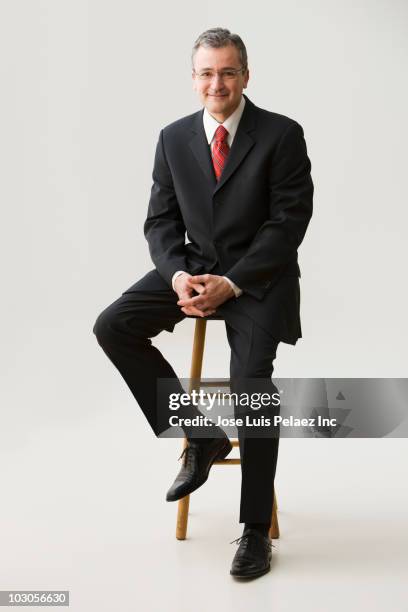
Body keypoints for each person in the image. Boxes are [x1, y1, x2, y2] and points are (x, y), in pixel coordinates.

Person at [93, 27, 313, 579]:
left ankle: (256, 531)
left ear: (245, 75)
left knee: (251, 388)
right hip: (192, 267)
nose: (217, 82)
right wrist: (176, 276)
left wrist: (232, 282)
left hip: (259, 280)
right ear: (194, 80)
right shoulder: (173, 138)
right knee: (113, 325)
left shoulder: (282, 135)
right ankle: (201, 433)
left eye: (228, 71)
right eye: (206, 73)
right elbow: (159, 220)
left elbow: (289, 224)